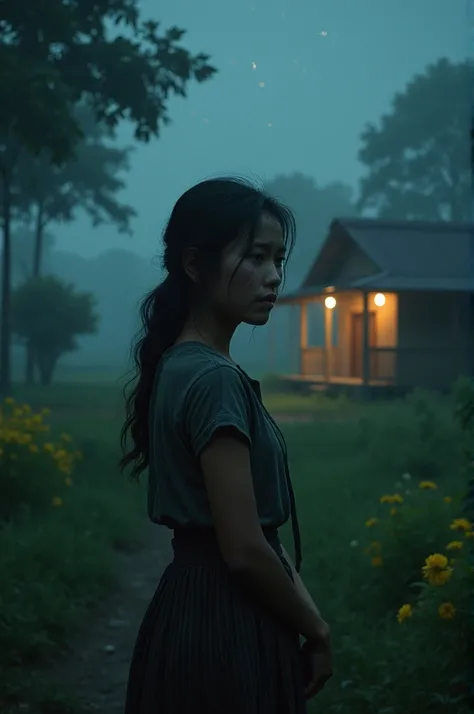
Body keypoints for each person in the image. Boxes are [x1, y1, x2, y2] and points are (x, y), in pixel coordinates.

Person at [120, 176, 332, 714]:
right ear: (195, 264)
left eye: (279, 260)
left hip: (191, 610)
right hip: (227, 621)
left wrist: (306, 617)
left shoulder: (180, 364)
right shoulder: (213, 379)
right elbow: (242, 548)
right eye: (257, 258)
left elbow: (262, 538)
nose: (274, 277)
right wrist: (317, 630)